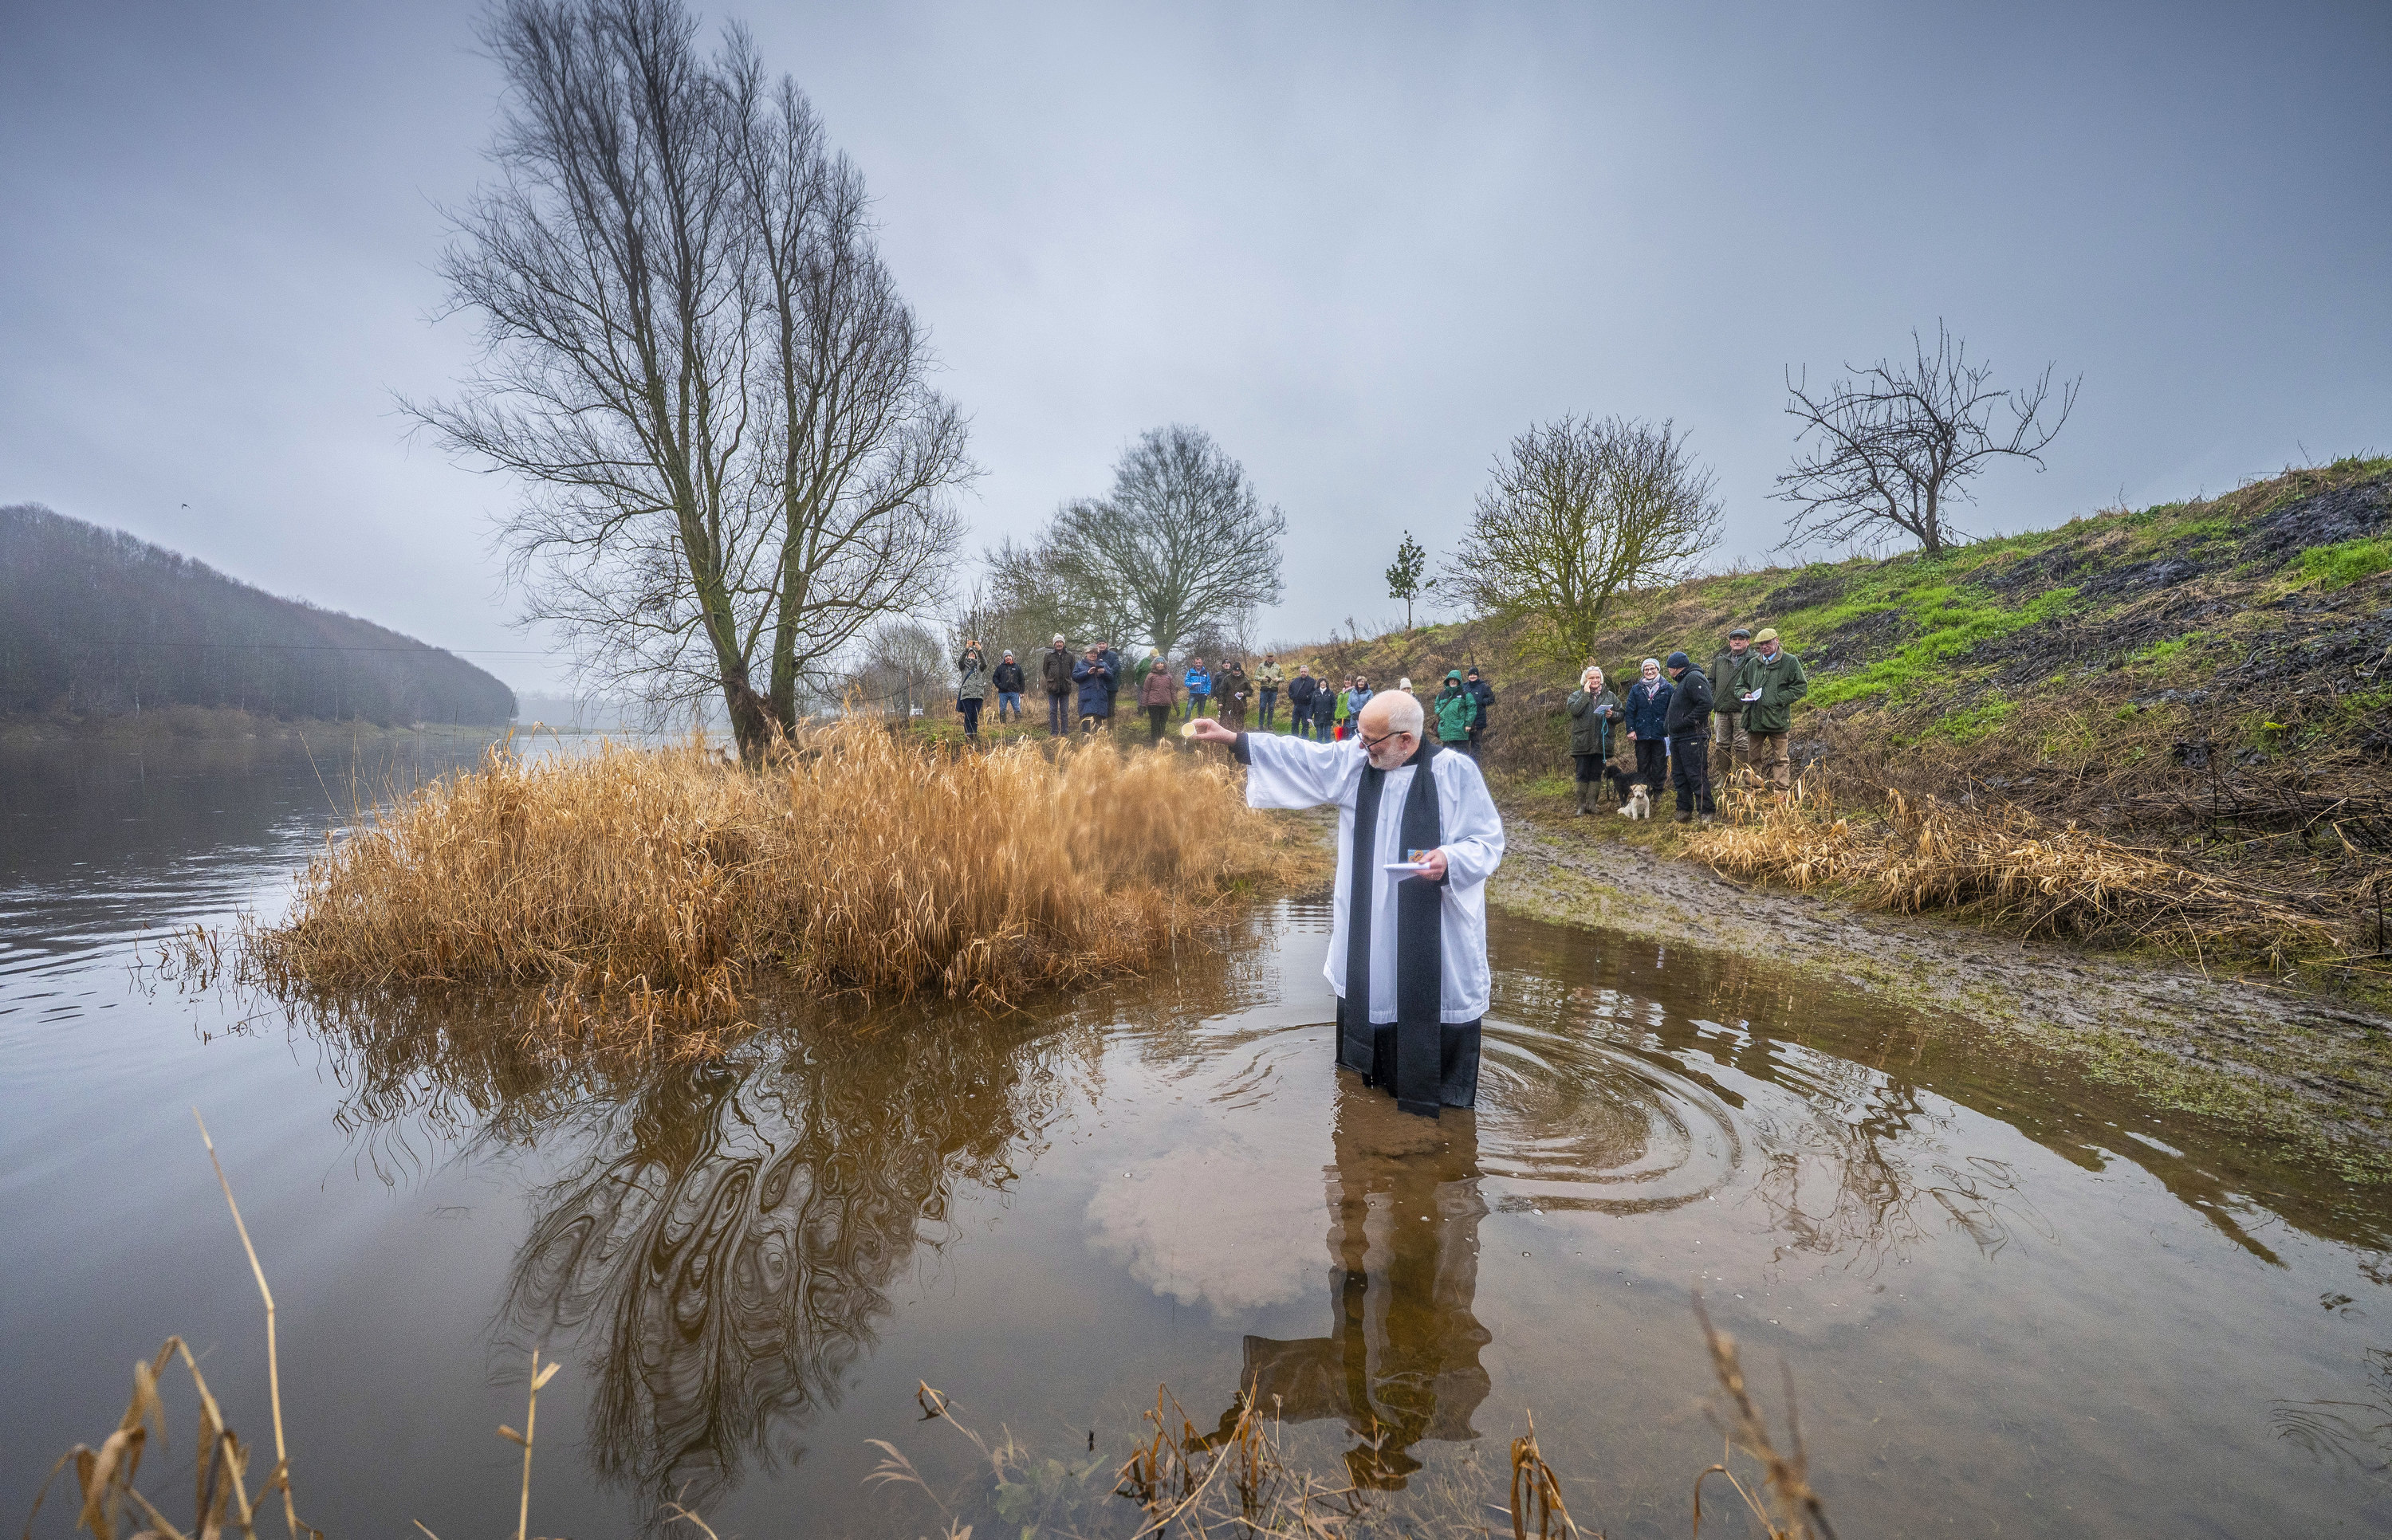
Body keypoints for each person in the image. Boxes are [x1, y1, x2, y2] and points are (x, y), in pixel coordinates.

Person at [1189, 691, 1505, 1116]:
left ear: (1407, 740)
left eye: (1373, 741)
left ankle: (1438, 1114)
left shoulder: (1455, 774)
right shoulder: (1359, 762)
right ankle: (1371, 1105)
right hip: (1370, 923)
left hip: (1436, 923)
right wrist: (1234, 740)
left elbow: (1486, 841)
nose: (1362, 747)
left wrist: (1450, 858)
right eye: (1360, 736)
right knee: (1375, 992)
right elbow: (1302, 756)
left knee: (1431, 1011)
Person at [1735, 627, 1810, 794]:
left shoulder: (1790, 662)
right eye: (1761, 644)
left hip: (1778, 720)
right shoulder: (1753, 664)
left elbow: (1801, 687)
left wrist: (1777, 699)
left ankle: (1781, 793)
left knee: (1781, 759)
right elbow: (1740, 686)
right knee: (1753, 758)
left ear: (1776, 640)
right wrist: (1745, 693)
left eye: (1767, 643)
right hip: (1755, 719)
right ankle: (1752, 790)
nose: (1764, 647)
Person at [1661, 650, 1713, 822]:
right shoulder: (1682, 681)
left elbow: (1706, 703)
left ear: (1674, 668)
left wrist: (1686, 722)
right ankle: (1684, 809)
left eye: (1669, 668)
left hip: (1693, 736)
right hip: (1677, 738)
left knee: (1696, 774)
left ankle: (1707, 811)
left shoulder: (1693, 678)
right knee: (1679, 775)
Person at [1566, 665, 1621, 815]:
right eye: (1592, 678)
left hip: (1602, 742)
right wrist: (1585, 695)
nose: (1595, 680)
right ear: (1585, 680)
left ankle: (1592, 805)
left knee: (1596, 773)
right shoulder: (1576, 696)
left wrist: (1613, 715)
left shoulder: (1610, 696)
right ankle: (1581, 807)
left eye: (1597, 678)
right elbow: (1574, 711)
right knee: (1582, 773)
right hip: (1582, 742)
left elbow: (1621, 714)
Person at [1708, 627, 1753, 783]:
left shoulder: (1754, 659)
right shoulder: (1720, 660)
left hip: (1743, 709)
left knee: (1742, 744)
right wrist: (1714, 697)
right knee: (1721, 744)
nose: (1737, 642)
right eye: (1734, 639)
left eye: (1741, 639)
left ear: (1748, 642)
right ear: (1730, 642)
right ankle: (1724, 777)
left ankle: (1741, 778)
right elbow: (1710, 681)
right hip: (1721, 709)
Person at [1624, 658, 1671, 794]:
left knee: (1659, 764)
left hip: (1661, 733)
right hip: (1642, 733)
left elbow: (1671, 710)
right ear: (1643, 671)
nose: (1649, 671)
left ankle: (1658, 791)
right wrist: (1631, 729)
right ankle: (1644, 792)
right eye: (1646, 669)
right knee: (1643, 764)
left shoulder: (1667, 688)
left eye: (1652, 668)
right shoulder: (1636, 689)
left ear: (1658, 670)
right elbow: (1630, 711)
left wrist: (1669, 729)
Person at [1072, 645, 1113, 733]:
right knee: (1086, 725)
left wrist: (1104, 672)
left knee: (1098, 726)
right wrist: (1087, 673)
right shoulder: (1079, 665)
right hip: (1086, 699)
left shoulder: (1103, 664)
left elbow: (1111, 677)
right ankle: (1086, 745)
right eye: (1091, 653)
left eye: (1095, 653)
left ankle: (1097, 745)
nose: (1093, 655)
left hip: (1100, 699)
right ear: (1086, 653)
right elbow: (1075, 677)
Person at [954, 639, 989, 744]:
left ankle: (974, 735)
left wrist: (979, 650)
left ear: (975, 656)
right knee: (968, 715)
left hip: (978, 695)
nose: (971, 655)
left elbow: (985, 663)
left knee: (975, 716)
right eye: (970, 654)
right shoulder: (964, 667)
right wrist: (966, 649)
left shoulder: (979, 667)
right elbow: (960, 661)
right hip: (967, 695)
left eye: (973, 654)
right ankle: (968, 736)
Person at [1041, 634, 1075, 737]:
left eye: (1060, 642)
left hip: (1065, 687)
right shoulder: (1048, 656)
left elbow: (1073, 669)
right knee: (1053, 711)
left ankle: (1064, 732)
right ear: (1054, 644)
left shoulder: (1070, 656)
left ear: (1063, 644)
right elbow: (1045, 671)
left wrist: (1067, 679)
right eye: (1057, 642)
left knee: (1064, 712)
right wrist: (1051, 680)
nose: (1059, 644)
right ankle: (1054, 733)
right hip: (1052, 688)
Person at [1432, 670, 1477, 747]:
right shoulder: (1441, 695)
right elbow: (1437, 704)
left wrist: (1468, 724)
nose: (1453, 681)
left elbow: (1472, 708)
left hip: (1460, 732)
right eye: (1451, 679)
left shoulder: (1465, 694)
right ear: (1448, 681)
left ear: (1459, 681)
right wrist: (1439, 711)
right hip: (1446, 732)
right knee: (1448, 757)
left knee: (1462, 756)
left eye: (1455, 679)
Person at [1139, 654, 1178, 742]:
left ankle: (1161, 742)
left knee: (1163, 724)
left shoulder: (1169, 676)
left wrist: (1176, 705)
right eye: (1158, 663)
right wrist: (1143, 705)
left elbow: (1173, 691)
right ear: (1154, 665)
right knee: (1155, 724)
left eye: (1162, 663)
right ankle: (1154, 743)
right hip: (1153, 704)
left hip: (1166, 704)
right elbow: (1146, 691)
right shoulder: (1150, 676)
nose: (1160, 665)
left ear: (1164, 664)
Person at [1463, 668, 1495, 759]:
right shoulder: (1464, 686)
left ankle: (1476, 764)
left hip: (1479, 720)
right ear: (1468, 676)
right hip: (1466, 721)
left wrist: (1482, 702)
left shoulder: (1484, 687)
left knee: (1476, 744)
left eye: (1474, 675)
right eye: (1470, 675)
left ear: (1478, 676)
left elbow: (1492, 699)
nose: (1472, 676)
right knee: (1464, 743)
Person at [991, 650, 1025, 724]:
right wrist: (999, 685)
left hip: (1015, 692)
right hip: (1003, 693)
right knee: (1002, 709)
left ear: (1012, 657)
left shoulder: (1017, 667)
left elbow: (1022, 679)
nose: (1008, 658)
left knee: (1017, 709)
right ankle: (1003, 725)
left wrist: (1022, 691)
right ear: (1004, 658)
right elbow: (994, 678)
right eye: (1006, 656)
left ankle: (1019, 725)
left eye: (1009, 656)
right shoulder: (1000, 668)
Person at [1287, 665, 1320, 741]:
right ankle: (1294, 739)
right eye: (1302, 672)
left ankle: (1305, 739)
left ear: (1308, 672)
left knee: (1305, 724)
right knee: (1294, 723)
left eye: (1305, 672)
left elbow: (1315, 692)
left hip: (1306, 706)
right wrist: (1292, 696)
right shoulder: (1295, 681)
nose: (1303, 673)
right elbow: (1290, 691)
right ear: (1300, 672)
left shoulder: (1313, 681)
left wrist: (1308, 697)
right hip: (1297, 705)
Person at [1097, 639, 1124, 731]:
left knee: (1110, 709)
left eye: (1103, 644)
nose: (1101, 646)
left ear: (1107, 645)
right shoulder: (1094, 655)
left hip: (1111, 686)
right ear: (1097, 645)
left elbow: (1116, 666)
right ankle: (1099, 729)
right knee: (1099, 709)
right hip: (1098, 686)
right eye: (1100, 644)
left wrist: (1107, 673)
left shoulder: (1113, 655)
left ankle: (1111, 730)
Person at [1254, 654, 1286, 729]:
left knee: (1271, 707)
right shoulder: (1261, 666)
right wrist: (1262, 678)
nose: (1270, 658)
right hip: (1264, 690)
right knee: (1262, 707)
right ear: (1266, 657)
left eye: (1271, 657)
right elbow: (1256, 677)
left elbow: (1283, 677)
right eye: (1269, 657)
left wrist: (1278, 679)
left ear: (1273, 658)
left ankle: (1270, 725)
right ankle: (1260, 725)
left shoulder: (1277, 666)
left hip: (1273, 690)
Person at [1218, 659, 1252, 729]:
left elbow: (1250, 691)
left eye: (1238, 671)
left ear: (1240, 671)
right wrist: (1220, 702)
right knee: (1228, 723)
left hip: (1241, 704)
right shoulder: (1227, 679)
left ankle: (1239, 736)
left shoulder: (1245, 679)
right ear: (1232, 670)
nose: (1236, 672)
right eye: (1235, 671)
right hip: (1229, 704)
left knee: (1240, 723)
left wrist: (1243, 693)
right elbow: (1222, 691)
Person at [1183, 656, 1212, 720]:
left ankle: (1200, 726)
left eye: (1199, 663)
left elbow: (1209, 683)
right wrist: (1191, 684)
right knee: (1189, 709)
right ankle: (1185, 724)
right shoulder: (1190, 672)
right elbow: (1186, 683)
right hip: (1193, 694)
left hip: (1203, 694)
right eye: (1196, 663)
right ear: (1194, 664)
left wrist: (1207, 693)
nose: (1198, 664)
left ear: (1202, 663)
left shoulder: (1206, 672)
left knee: (1201, 712)